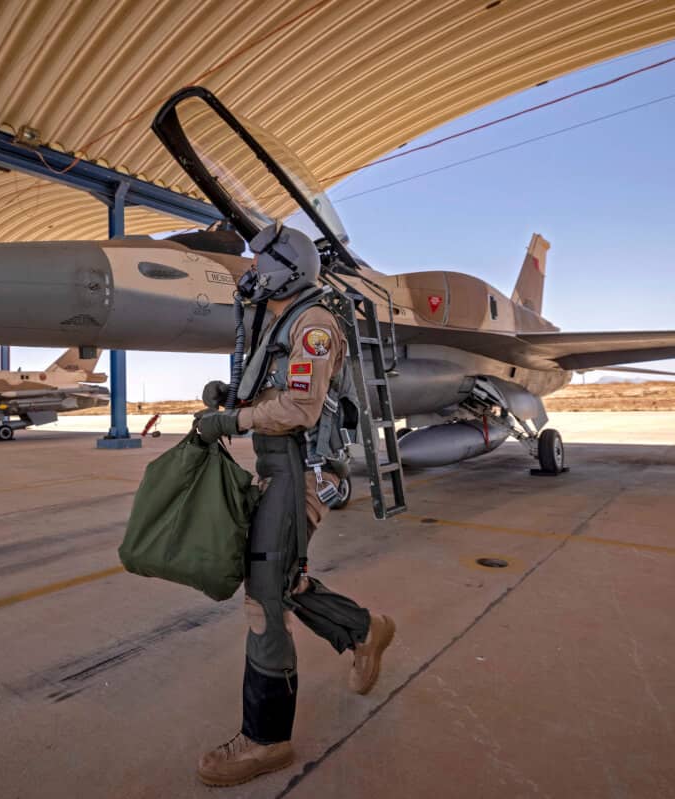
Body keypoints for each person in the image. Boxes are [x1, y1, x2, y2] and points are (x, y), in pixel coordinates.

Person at [194, 223, 396, 787]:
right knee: (283, 580)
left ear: (286, 270)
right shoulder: (279, 322)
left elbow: (301, 410)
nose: (251, 273)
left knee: (264, 598)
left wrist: (230, 421)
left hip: (300, 470)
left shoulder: (314, 324)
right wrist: (230, 397)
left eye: (260, 264)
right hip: (276, 466)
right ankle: (363, 629)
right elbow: (274, 392)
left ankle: (266, 739)